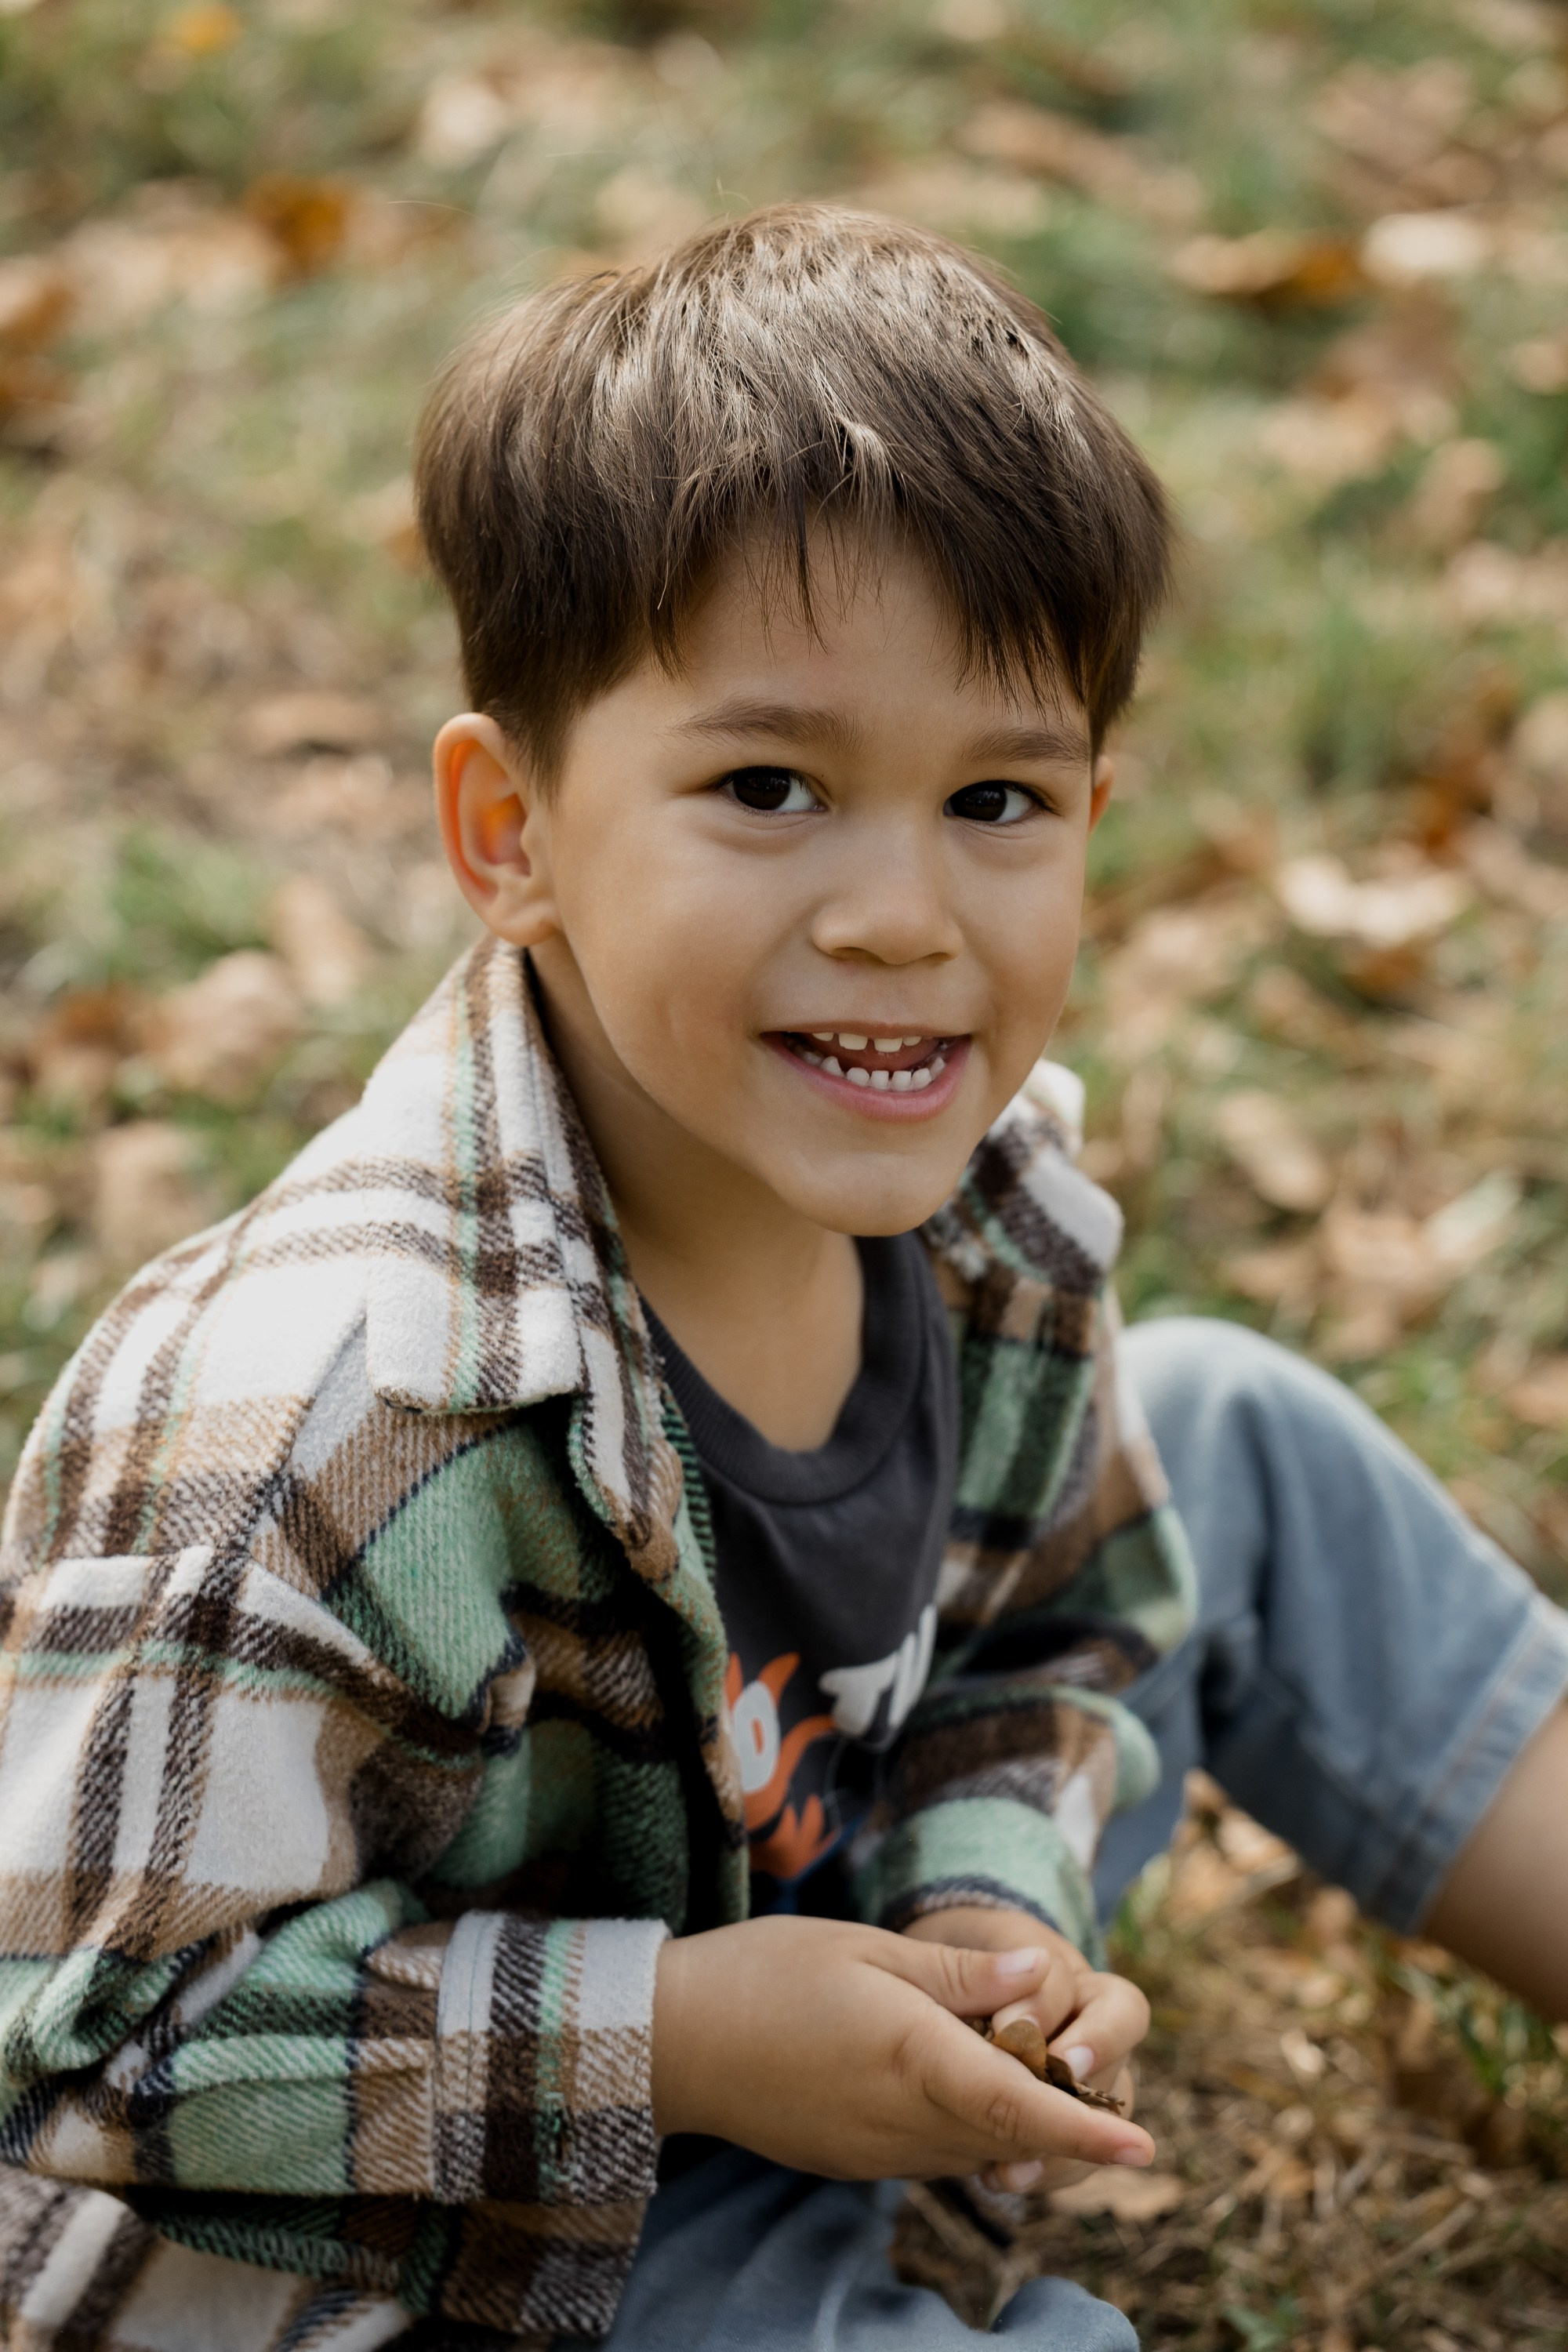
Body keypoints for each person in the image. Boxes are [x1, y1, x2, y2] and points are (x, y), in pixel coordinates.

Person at [0, 205, 1563, 2352]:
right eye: (770, 787)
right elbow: (94, 2039)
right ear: (510, 832)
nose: (904, 913)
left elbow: (1043, 1637)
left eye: (997, 798)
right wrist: (683, 2038)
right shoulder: (331, 1421)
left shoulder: (996, 1232)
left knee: (1232, 1437)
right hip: (443, 2240)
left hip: (807, 1982)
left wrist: (994, 1914)